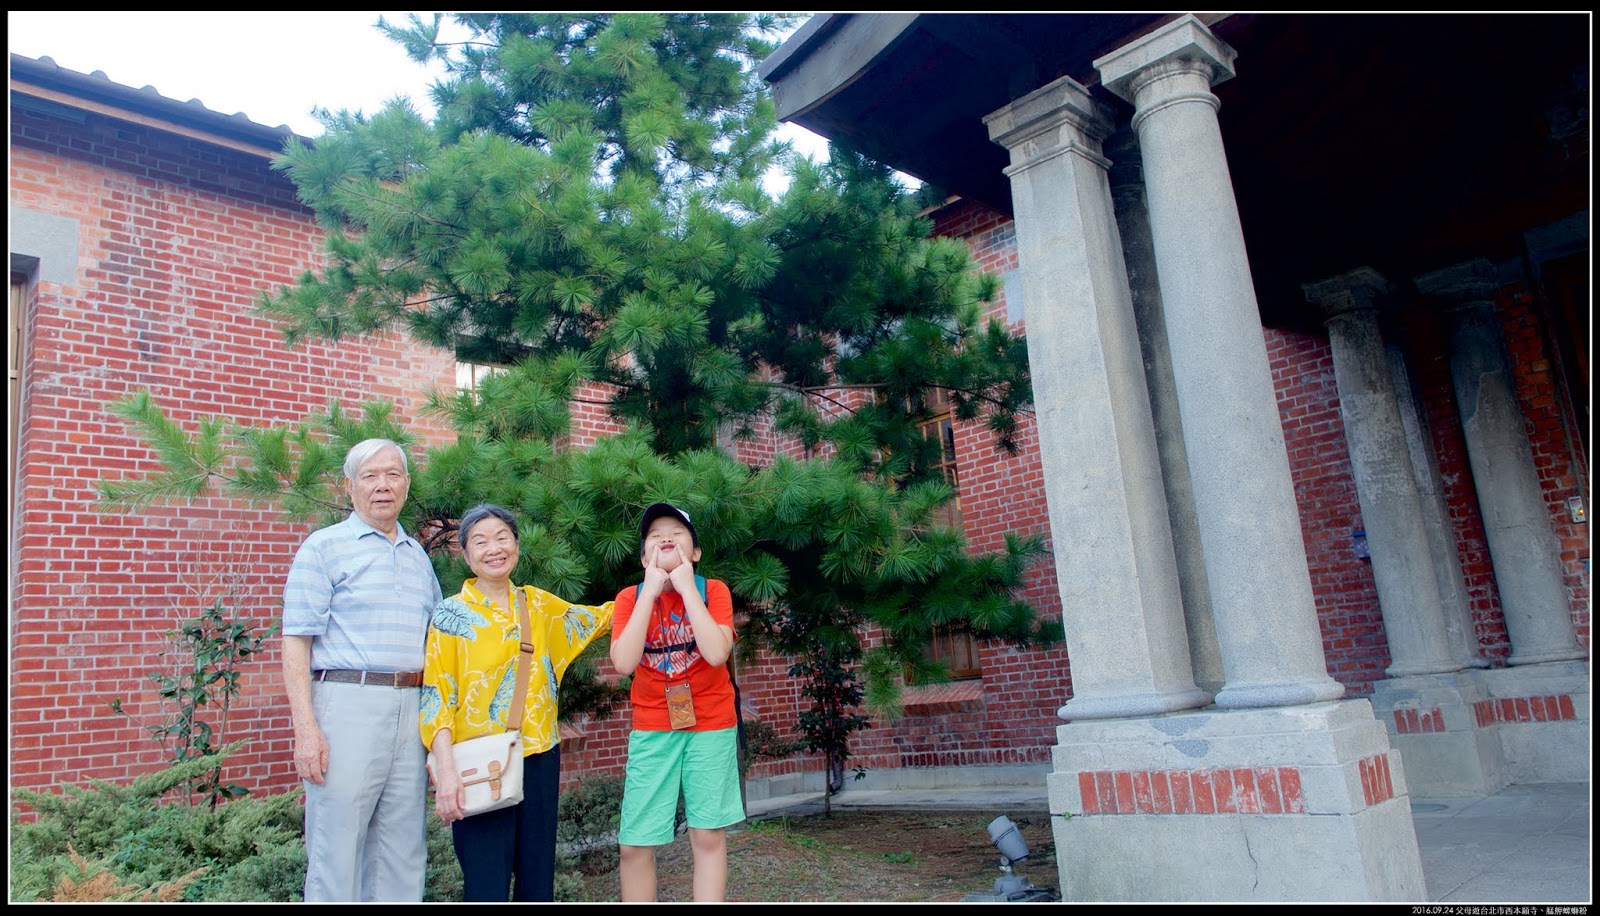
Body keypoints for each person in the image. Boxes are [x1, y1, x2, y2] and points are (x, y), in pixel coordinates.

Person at [421, 503, 615, 902]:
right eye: (480, 541)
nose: (494, 548)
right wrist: (446, 771)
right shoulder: (450, 615)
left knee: (537, 882)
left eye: (502, 538)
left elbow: (598, 619)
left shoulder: (537, 605)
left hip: (539, 757)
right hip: (477, 765)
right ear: (466, 554)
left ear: (517, 545)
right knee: (486, 886)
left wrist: (654, 583)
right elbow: (436, 697)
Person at [281, 438, 443, 902]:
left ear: (406, 484)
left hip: (411, 709)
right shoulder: (323, 548)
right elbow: (296, 642)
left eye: (392, 475)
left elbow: (437, 644)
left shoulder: (417, 556)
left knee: (403, 849)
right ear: (350, 485)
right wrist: (306, 729)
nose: (382, 486)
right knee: (337, 848)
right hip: (347, 705)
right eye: (370, 476)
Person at [610, 502, 744, 902]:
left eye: (676, 533)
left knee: (707, 835)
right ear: (643, 557)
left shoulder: (713, 591)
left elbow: (717, 653)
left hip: (711, 724)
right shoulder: (629, 598)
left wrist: (686, 588)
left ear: (695, 552)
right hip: (652, 727)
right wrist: (650, 591)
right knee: (634, 844)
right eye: (655, 535)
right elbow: (623, 663)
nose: (666, 538)